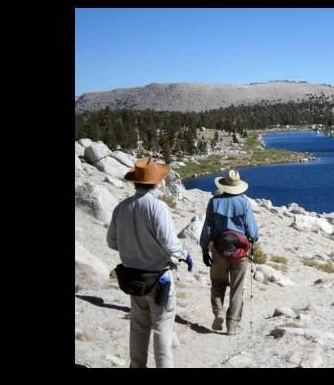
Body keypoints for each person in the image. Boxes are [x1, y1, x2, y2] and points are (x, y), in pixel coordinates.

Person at [106, 157, 193, 368]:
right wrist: (185, 255)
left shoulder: (121, 207)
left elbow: (111, 242)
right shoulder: (158, 207)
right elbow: (169, 242)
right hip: (158, 277)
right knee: (162, 327)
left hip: (133, 278)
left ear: (135, 181)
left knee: (138, 326)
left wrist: (133, 248)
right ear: (156, 182)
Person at [200, 169, 259, 335]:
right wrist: (253, 237)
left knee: (218, 283)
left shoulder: (214, 202)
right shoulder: (244, 203)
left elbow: (208, 228)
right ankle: (232, 325)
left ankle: (218, 312)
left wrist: (205, 249)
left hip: (219, 250)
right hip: (240, 253)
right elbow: (252, 231)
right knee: (237, 288)